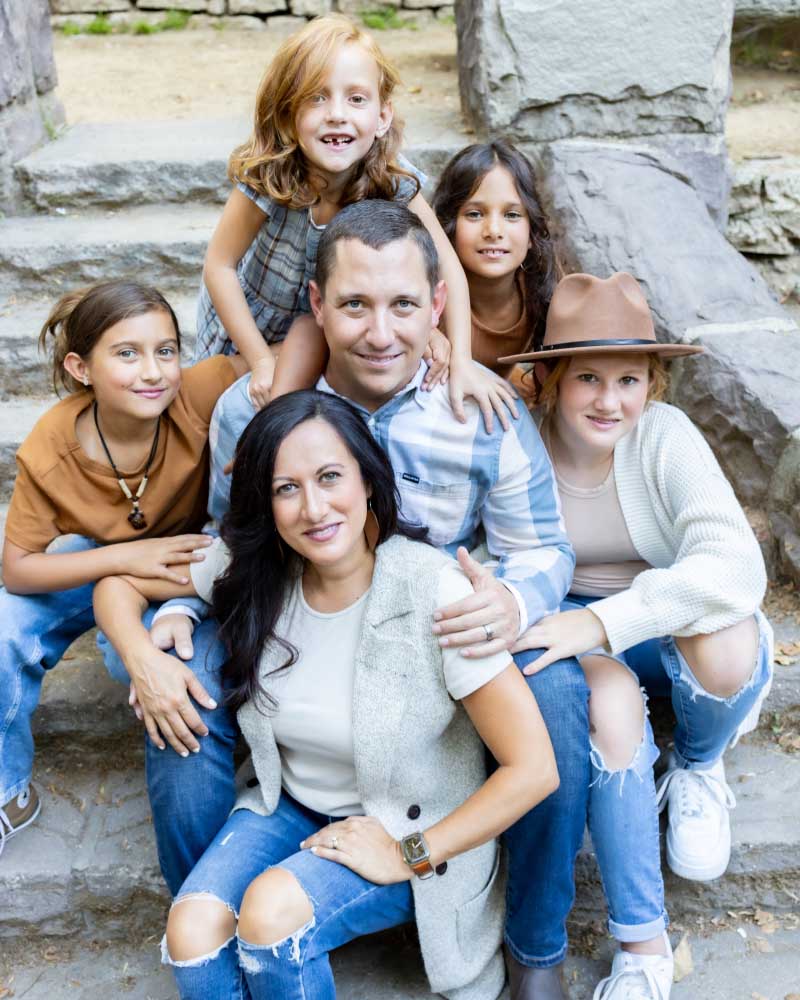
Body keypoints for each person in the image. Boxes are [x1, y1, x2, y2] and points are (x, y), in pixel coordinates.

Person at [102, 200, 589, 999]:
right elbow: (235, 540)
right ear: (318, 308)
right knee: (176, 676)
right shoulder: (253, 410)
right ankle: (218, 909)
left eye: (403, 305)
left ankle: (534, 949)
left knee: (558, 693)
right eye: (355, 305)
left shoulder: (479, 410)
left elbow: (545, 549)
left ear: (438, 306)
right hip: (293, 600)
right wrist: (164, 629)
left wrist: (507, 599)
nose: (380, 331)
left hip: (439, 621)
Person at [501, 272, 773, 1000]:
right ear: (551, 379)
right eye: (587, 377)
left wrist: (605, 618)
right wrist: (581, 629)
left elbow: (734, 565)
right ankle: (644, 948)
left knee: (725, 643)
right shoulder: (519, 442)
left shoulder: (663, 437)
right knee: (612, 710)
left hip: (669, 635)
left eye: (628, 379)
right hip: (574, 641)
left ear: (652, 383)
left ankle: (697, 760)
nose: (608, 400)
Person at [0, 280, 247, 852]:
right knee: (7, 624)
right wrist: (120, 557)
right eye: (127, 354)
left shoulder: (199, 391)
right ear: (80, 368)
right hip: (96, 559)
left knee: (145, 658)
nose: (153, 371)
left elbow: (290, 351)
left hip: (179, 567)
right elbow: (17, 569)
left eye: (165, 350)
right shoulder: (53, 444)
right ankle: (9, 789)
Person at [197, 13, 515, 429]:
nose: (336, 114)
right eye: (316, 98)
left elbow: (447, 267)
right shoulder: (269, 173)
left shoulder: (393, 180)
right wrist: (258, 359)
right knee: (216, 406)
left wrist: (461, 357)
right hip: (249, 327)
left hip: (333, 326)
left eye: (356, 99)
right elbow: (218, 266)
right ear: (288, 113)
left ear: (383, 116)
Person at [432, 139, 559, 387]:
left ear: (533, 231)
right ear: (449, 227)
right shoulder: (428, 294)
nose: (493, 231)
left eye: (512, 215)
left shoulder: (539, 289)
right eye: (475, 214)